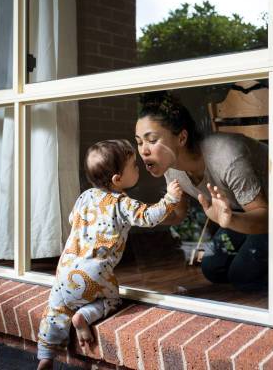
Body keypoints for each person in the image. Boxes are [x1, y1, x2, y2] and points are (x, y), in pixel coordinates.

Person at [37, 139, 182, 370]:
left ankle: (45, 355)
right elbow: (149, 217)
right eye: (134, 166)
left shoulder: (84, 197)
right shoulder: (122, 203)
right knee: (112, 300)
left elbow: (71, 220)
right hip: (94, 274)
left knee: (54, 311)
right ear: (117, 179)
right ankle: (83, 317)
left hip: (65, 270)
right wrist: (170, 199)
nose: (138, 168)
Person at [135, 93, 268, 292]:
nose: (143, 150)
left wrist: (230, 220)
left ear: (181, 137)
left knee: (242, 276)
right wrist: (142, 215)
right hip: (238, 214)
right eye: (139, 142)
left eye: (152, 140)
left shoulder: (227, 157)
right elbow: (178, 214)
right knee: (212, 268)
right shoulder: (171, 167)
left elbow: (266, 217)